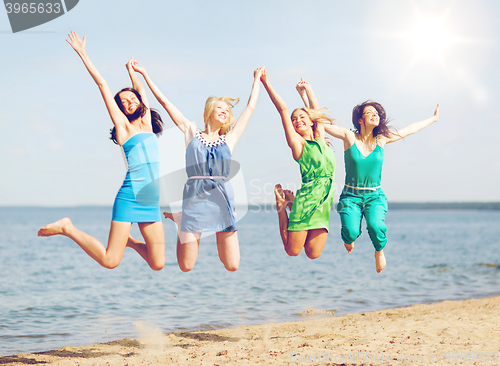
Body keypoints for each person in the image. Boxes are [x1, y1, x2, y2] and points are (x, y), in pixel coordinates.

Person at [38, 31, 165, 271]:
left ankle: (130, 242)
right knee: (110, 261)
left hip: (150, 200)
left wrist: (132, 71)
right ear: (120, 110)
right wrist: (82, 53)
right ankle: (68, 228)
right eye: (123, 102)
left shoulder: (147, 122)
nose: (128, 103)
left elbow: (140, 88)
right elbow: (101, 83)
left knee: (158, 263)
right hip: (130, 196)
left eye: (131, 99)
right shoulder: (124, 128)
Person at [130, 62, 264, 272]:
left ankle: (184, 219)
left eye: (227, 110)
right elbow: (164, 102)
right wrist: (144, 74)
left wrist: (256, 80)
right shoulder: (191, 131)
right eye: (220, 107)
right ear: (209, 111)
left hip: (222, 198)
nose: (224, 112)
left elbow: (250, 108)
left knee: (232, 265)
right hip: (194, 198)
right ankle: (182, 218)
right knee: (186, 266)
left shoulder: (230, 138)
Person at [323, 100, 440, 273]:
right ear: (360, 120)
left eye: (377, 113)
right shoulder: (349, 137)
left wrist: (434, 118)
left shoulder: (382, 139)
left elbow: (409, 129)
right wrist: (306, 94)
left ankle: (379, 250)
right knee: (350, 231)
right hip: (351, 197)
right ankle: (350, 238)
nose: (375, 114)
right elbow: (323, 124)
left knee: (375, 225)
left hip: (374, 196)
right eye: (370, 112)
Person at [260, 68, 335, 259]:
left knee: (313, 254)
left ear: (311, 121)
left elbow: (316, 112)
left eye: (302, 117)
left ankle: (290, 203)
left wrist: (307, 90)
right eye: (294, 120)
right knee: (292, 251)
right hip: (308, 198)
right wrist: (266, 83)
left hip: (324, 202)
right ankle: (282, 206)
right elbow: (282, 109)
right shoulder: (298, 144)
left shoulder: (321, 138)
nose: (297, 120)